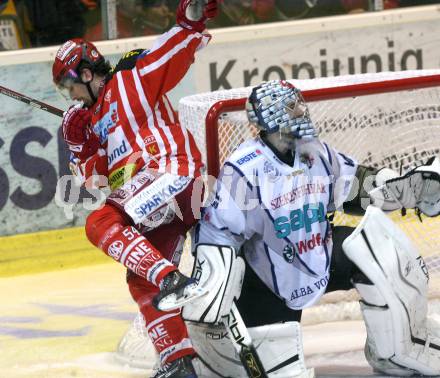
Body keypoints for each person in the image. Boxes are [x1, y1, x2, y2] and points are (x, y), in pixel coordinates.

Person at [183, 80, 440, 377]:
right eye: (291, 110)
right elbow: (218, 233)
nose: (300, 114)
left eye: (299, 106)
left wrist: (398, 188)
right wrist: (214, 282)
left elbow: (353, 186)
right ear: (267, 121)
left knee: (380, 249)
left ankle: (394, 352)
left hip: (320, 255)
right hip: (268, 281)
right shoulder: (244, 167)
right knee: (274, 369)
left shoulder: (314, 151)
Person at [52, 1, 219, 377]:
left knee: (99, 223)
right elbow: (99, 181)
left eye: (70, 86)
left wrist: (191, 19)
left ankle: (171, 278)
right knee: (140, 276)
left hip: (174, 174)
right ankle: (178, 362)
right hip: (153, 201)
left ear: (88, 72)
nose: (71, 96)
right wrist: (81, 146)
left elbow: (177, 45)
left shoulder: (132, 78)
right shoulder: (91, 123)